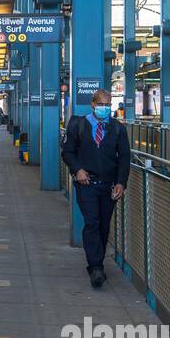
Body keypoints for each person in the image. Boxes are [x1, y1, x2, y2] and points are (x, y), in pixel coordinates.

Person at [61, 89, 131, 288]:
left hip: (109, 185)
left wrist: (121, 182)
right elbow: (67, 152)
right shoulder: (78, 125)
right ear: (93, 104)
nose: (105, 108)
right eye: (101, 104)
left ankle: (96, 261)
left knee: (103, 225)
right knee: (92, 222)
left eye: (108, 105)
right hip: (87, 184)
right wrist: (77, 170)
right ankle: (96, 266)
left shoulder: (117, 129)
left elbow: (124, 157)